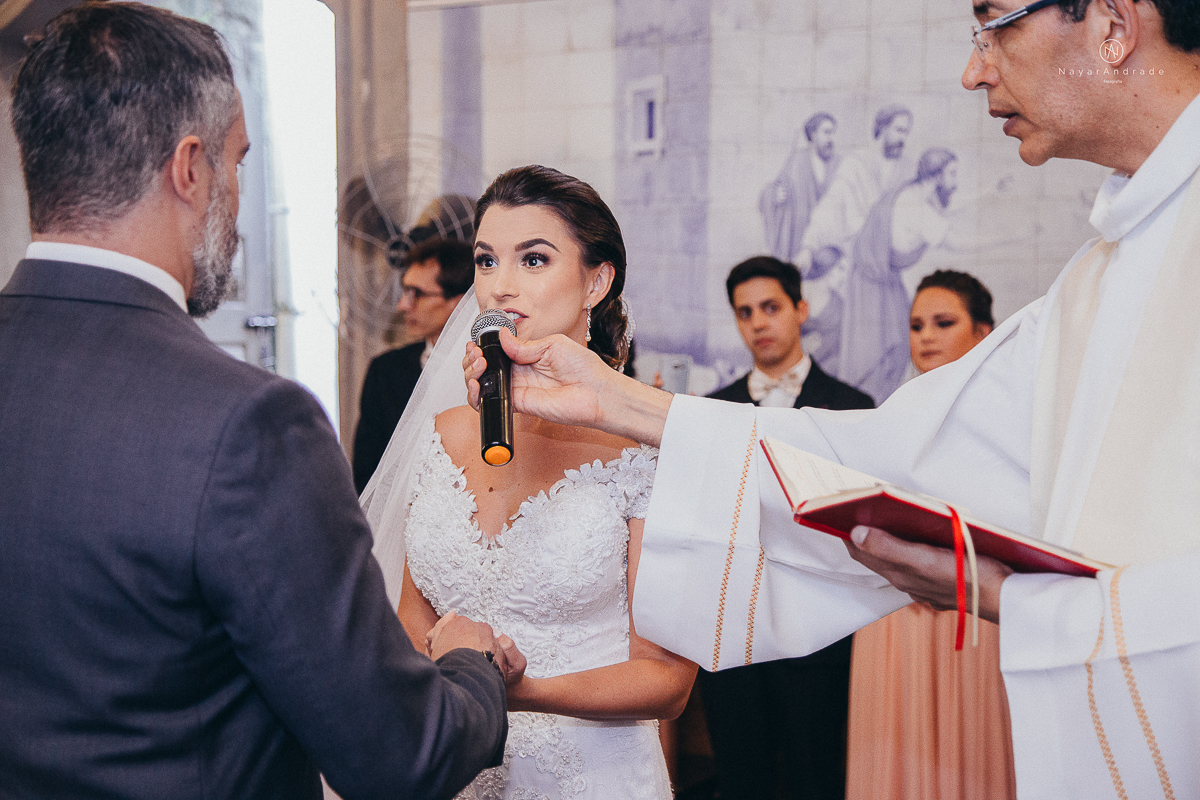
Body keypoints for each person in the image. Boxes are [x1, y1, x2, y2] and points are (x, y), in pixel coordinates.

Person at [463, 1, 1200, 796]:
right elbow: (893, 456)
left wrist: (1008, 599)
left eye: (997, 24)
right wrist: (615, 401)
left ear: (1116, 24)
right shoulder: (1097, 281)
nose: (975, 67)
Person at [0, 5, 518, 798]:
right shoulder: (247, 426)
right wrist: (472, 665)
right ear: (189, 168)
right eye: (238, 163)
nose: (237, 203)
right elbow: (398, 757)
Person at [368, 164, 697, 799]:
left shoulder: (646, 450)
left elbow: (665, 681)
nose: (501, 288)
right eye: (487, 262)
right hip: (456, 772)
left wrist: (513, 692)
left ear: (595, 282)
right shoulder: (441, 434)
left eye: (535, 260)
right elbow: (413, 616)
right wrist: (445, 671)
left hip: (592, 775)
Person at [702, 255, 873, 800]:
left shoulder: (852, 408)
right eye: (744, 312)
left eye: (770, 307)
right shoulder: (710, 411)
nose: (758, 322)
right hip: (733, 636)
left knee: (815, 774)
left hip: (819, 632)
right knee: (739, 776)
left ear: (800, 309)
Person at [846, 270, 1015, 800]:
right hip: (894, 620)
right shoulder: (891, 416)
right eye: (917, 325)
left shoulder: (1012, 424)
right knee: (896, 756)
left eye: (944, 322)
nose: (926, 336)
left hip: (976, 611)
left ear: (984, 333)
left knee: (970, 758)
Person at [798, 104, 915, 375]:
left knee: (900, 344)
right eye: (898, 130)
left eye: (906, 132)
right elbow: (831, 206)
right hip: (862, 275)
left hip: (891, 274)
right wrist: (808, 245)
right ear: (882, 128)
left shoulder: (906, 170)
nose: (903, 138)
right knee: (864, 350)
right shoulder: (856, 165)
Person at [352, 235, 474, 492]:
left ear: (460, 302)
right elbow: (367, 471)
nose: (403, 305)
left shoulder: (490, 367)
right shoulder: (384, 371)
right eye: (404, 292)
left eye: (416, 294)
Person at [838, 148, 960, 402]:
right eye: (952, 174)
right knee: (884, 355)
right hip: (877, 289)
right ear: (936, 176)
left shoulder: (910, 193)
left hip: (879, 284)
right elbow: (958, 241)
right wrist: (1017, 238)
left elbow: (945, 215)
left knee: (896, 350)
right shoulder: (916, 208)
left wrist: (989, 193)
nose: (956, 182)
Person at [759, 113, 843, 264]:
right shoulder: (796, 162)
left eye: (833, 133)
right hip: (799, 245)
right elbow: (772, 192)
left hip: (830, 247)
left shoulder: (839, 164)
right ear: (813, 135)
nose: (831, 139)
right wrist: (774, 195)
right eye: (826, 132)